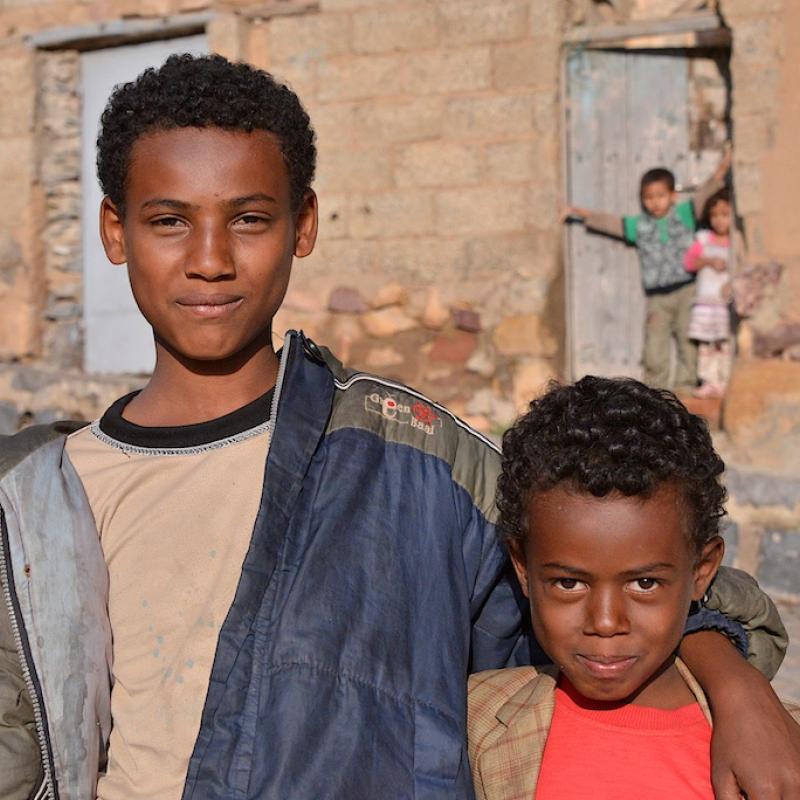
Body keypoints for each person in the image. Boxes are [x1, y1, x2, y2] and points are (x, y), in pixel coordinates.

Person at [0, 55, 796, 800]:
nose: (211, 259)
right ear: (114, 230)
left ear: (303, 224)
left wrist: (734, 686)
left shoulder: (413, 456)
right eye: (169, 221)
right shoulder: (42, 495)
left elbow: (666, 581)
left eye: (248, 219)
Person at [468, 377, 800, 799]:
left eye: (645, 583)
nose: (606, 622)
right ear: (523, 568)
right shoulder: (477, 721)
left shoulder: (779, 752)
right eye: (569, 583)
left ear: (702, 570)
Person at [564, 149, 731, 391]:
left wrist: (724, 166)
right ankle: (657, 393)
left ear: (673, 196)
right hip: (657, 297)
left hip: (687, 290)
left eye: (660, 195)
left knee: (688, 342)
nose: (654, 202)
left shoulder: (685, 214)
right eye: (648, 197)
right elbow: (611, 223)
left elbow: (706, 192)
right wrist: (578, 213)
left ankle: (685, 388)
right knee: (655, 347)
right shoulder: (639, 225)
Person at [684, 188, 734, 398]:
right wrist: (708, 261)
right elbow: (688, 262)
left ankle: (724, 380)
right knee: (706, 344)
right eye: (714, 216)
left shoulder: (735, 242)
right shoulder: (703, 240)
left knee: (724, 342)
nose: (719, 221)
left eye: (724, 215)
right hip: (705, 303)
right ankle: (708, 381)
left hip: (725, 304)